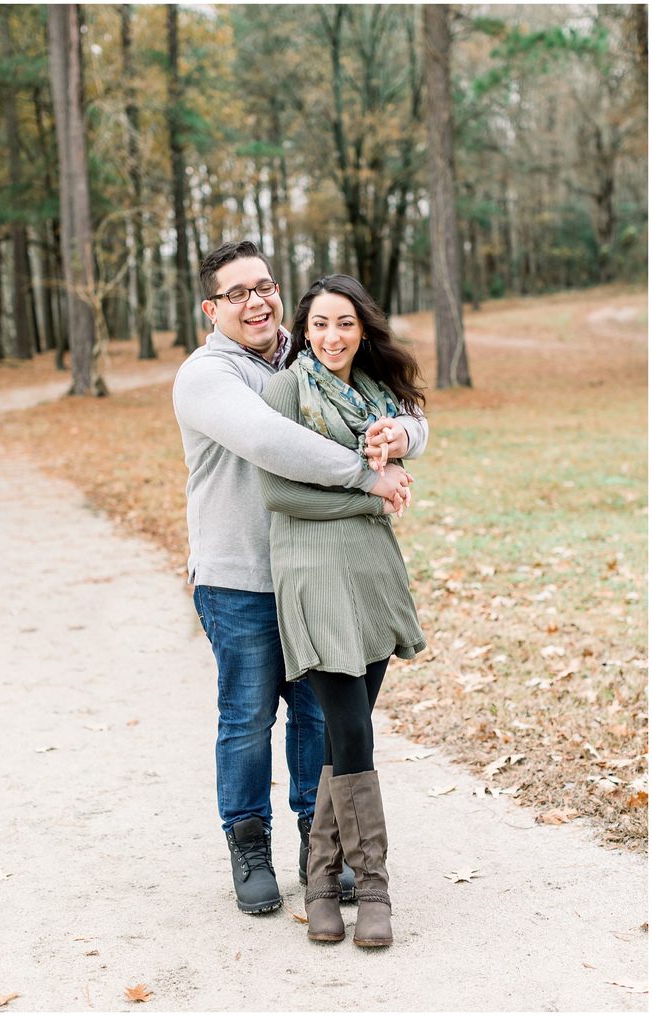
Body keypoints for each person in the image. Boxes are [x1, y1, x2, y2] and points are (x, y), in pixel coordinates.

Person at [172, 241, 428, 916]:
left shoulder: (312, 347)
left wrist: (404, 437)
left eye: (264, 286)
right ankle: (247, 843)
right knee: (249, 718)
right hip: (241, 575)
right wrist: (368, 477)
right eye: (237, 293)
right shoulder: (205, 377)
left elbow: (388, 398)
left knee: (317, 716)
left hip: (315, 571)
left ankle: (325, 850)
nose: (256, 301)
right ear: (211, 308)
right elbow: (270, 444)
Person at [258, 274, 427, 948]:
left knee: (338, 739)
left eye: (345, 324)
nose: (333, 337)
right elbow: (278, 493)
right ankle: (375, 888)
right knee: (353, 731)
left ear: (363, 330)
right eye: (321, 324)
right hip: (311, 572)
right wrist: (373, 494)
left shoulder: (379, 396)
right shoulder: (285, 390)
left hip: (371, 574)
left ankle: (321, 880)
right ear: (304, 328)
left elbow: (413, 435)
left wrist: (400, 449)